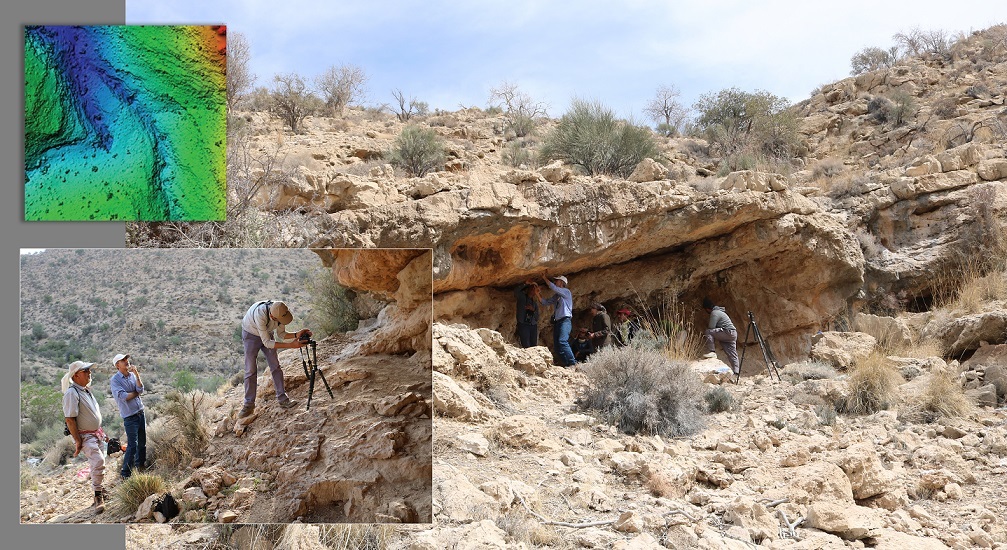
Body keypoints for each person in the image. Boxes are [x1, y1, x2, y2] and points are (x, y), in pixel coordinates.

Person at [240, 300, 312, 418]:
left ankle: (283, 399)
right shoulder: (260, 314)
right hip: (250, 334)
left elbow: (281, 334)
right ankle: (248, 405)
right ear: (272, 317)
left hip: (266, 333)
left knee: (275, 365)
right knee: (250, 369)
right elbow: (267, 343)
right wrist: (291, 345)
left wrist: (297, 334)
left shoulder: (279, 310)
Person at [61, 361, 108, 513]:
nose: (89, 373)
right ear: (76, 375)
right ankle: (98, 496)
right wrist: (78, 441)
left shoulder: (85, 390)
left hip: (95, 434)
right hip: (86, 436)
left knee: (99, 463)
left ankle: (100, 490)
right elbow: (70, 419)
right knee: (98, 461)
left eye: (89, 370)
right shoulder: (71, 393)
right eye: (86, 371)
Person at [110, 353, 146, 480]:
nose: (126, 361)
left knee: (142, 443)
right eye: (122, 360)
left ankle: (140, 467)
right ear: (117, 365)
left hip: (140, 413)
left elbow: (141, 389)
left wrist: (137, 375)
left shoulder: (131, 375)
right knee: (132, 445)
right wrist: (137, 392)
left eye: (126, 359)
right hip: (130, 417)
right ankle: (125, 474)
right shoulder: (115, 380)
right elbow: (124, 396)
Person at [538, 275, 577, 367]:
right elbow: (545, 302)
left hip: (565, 321)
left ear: (561, 282)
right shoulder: (557, 296)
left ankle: (573, 363)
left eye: (556, 280)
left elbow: (553, 287)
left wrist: (544, 278)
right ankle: (567, 364)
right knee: (557, 346)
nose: (555, 281)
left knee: (562, 341)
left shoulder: (566, 292)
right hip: (558, 322)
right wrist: (537, 294)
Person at [702, 297, 740, 374]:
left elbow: (711, 327)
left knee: (708, 331)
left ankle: (712, 352)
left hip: (727, 332)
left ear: (707, 308)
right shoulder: (721, 312)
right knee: (732, 353)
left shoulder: (714, 312)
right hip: (733, 333)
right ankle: (736, 372)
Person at [514, 281, 540, 348]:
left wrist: (533, 310)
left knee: (534, 345)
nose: (532, 289)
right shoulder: (522, 297)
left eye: (534, 289)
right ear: (528, 288)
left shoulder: (535, 303)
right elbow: (516, 290)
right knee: (526, 344)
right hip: (523, 324)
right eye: (531, 287)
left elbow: (537, 317)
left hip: (533, 325)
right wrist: (525, 283)